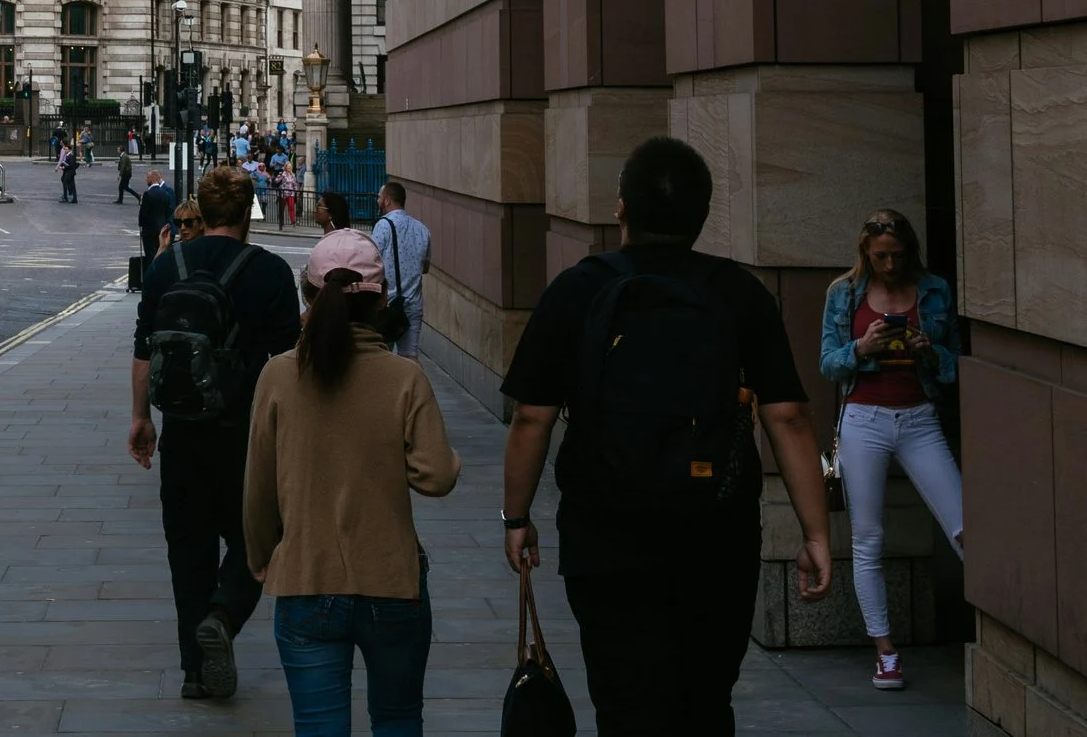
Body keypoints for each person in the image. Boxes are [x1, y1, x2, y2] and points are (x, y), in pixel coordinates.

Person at [500, 136, 832, 735]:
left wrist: (516, 518)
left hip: (606, 535)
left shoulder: (579, 289)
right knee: (705, 703)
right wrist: (814, 532)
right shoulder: (738, 294)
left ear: (621, 206)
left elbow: (532, 418)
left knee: (626, 703)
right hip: (717, 534)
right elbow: (788, 418)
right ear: (703, 215)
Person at [243, 228, 460, 734]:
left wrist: (260, 558)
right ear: (382, 299)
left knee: (319, 726)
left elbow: (257, 486)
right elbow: (437, 477)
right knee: (398, 719)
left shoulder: (277, 375)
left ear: (307, 296)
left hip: (305, 579)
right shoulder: (404, 378)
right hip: (392, 582)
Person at [129, 165, 301, 701]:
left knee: (188, 552)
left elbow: (143, 349)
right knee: (260, 540)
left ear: (200, 210)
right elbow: (289, 362)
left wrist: (141, 419)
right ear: (249, 209)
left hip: (182, 431)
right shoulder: (271, 272)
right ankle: (224, 616)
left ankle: (195, 673)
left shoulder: (166, 268)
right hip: (246, 437)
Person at [817, 207, 961, 693]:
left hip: (919, 416)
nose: (890, 266)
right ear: (866, 252)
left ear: (910, 251)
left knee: (964, 525)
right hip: (864, 419)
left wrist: (928, 350)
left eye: (897, 256)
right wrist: (862, 347)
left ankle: (997, 633)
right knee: (868, 540)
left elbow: (953, 366)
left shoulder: (935, 290)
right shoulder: (845, 293)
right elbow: (828, 364)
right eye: (880, 257)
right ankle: (885, 653)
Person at [369, 182, 431, 360]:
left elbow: (372, 258)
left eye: (379, 197)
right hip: (413, 304)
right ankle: (417, 387)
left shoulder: (383, 225)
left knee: (380, 357)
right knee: (410, 357)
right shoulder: (422, 229)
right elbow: (425, 268)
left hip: (387, 305)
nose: (378, 201)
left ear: (387, 200)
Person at [137, 170, 175, 261]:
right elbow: (169, 211)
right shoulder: (165, 194)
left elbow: (143, 214)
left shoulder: (148, 194)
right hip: (162, 230)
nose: (146, 180)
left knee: (151, 256)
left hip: (149, 231)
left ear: (152, 178)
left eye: (147, 178)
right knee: (161, 255)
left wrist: (141, 223)